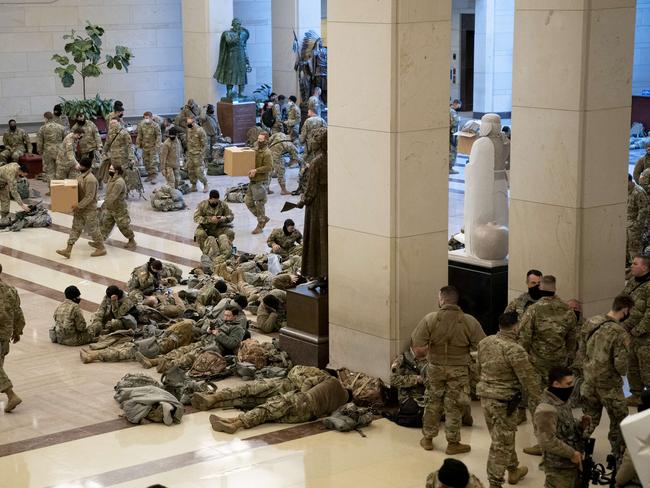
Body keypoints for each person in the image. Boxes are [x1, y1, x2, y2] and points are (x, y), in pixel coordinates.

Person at [411, 285, 486, 454]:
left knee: (432, 401)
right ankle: (453, 443)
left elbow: (417, 346)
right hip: (459, 370)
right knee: (454, 405)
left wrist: (432, 351)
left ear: (442, 299)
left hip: (435, 367)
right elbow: (482, 346)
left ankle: (428, 439)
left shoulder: (430, 319)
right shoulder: (469, 321)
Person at [476, 312, 541, 488]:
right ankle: (495, 483)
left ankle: (513, 469)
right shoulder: (515, 350)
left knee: (501, 437)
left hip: (485, 397)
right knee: (501, 443)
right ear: (516, 326)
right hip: (504, 402)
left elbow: (477, 368)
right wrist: (542, 400)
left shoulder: (485, 342)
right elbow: (528, 380)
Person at [208, 370, 349, 433]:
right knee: (269, 416)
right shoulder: (341, 405)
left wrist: (304, 394)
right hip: (307, 416)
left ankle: (236, 424)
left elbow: (308, 381)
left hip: (303, 400)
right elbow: (328, 415)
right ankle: (232, 420)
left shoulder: (334, 381)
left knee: (267, 409)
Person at [580, 294, 633, 459]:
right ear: (625, 310)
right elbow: (621, 366)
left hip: (588, 381)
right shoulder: (620, 332)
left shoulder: (591, 322)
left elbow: (581, 350)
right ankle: (618, 455)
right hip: (609, 385)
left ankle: (579, 448)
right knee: (620, 419)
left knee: (589, 418)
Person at [535, 366, 590, 488]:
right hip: (558, 468)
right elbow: (547, 441)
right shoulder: (546, 409)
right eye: (569, 383)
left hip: (571, 464)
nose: (572, 387)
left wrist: (580, 425)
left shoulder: (562, 400)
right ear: (556, 384)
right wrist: (572, 454)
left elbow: (565, 427)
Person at [56, 156, 106, 258]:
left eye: (81, 165)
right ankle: (68, 250)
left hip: (89, 209)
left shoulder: (91, 179)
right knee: (75, 228)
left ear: (86, 167)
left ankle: (101, 248)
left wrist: (78, 205)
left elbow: (89, 196)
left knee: (93, 229)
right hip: (79, 208)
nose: (79, 166)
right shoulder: (80, 176)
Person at [621, 254, 650, 406]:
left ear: (644, 267)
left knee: (646, 367)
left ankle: (647, 397)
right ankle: (636, 394)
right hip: (630, 332)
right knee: (632, 365)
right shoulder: (632, 282)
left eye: (635, 263)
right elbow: (623, 300)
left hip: (645, 336)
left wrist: (638, 330)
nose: (631, 266)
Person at [0, 263, 25, 412]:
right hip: (5, 335)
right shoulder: (11, 290)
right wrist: (18, 331)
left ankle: (11, 395)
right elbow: (18, 313)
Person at [99, 164, 136, 250]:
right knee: (105, 224)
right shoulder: (111, 179)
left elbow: (113, 196)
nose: (109, 171)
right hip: (110, 207)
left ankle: (132, 240)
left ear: (117, 171)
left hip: (119, 208)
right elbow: (108, 193)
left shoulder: (119, 182)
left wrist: (103, 204)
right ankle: (99, 242)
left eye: (111, 169)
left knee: (123, 226)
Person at [213, 18, 251, 99]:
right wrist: (238, 35)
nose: (239, 26)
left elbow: (244, 47)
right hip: (231, 56)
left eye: (239, 24)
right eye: (237, 24)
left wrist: (247, 62)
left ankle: (241, 93)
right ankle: (229, 92)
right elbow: (230, 42)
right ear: (233, 24)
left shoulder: (243, 33)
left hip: (241, 56)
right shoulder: (227, 34)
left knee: (242, 74)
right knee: (230, 74)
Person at [245, 131, 272, 234]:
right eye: (258, 139)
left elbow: (269, 167)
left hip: (261, 181)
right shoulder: (256, 147)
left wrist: (256, 170)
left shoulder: (267, 153)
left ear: (266, 140)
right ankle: (263, 218)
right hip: (253, 180)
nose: (259, 141)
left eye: (261, 140)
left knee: (260, 204)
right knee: (248, 201)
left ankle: (260, 225)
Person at [36, 112, 65, 185]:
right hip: (59, 150)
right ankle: (61, 187)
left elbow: (39, 142)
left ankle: (52, 189)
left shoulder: (42, 128)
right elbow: (65, 139)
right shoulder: (61, 127)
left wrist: (40, 151)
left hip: (48, 152)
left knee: (49, 171)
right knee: (59, 169)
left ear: (46, 118)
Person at [627, 174, 649, 264]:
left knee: (634, 250)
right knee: (625, 250)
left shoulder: (638, 192)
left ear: (629, 181)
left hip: (634, 228)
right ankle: (629, 269)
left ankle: (636, 272)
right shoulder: (623, 190)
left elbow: (643, 211)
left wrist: (637, 226)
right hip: (625, 225)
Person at [136, 111, 162, 183]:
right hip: (145, 147)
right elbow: (139, 135)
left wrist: (157, 145)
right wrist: (138, 144)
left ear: (151, 117)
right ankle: (149, 175)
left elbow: (159, 136)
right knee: (146, 162)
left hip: (153, 147)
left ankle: (154, 177)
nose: (146, 119)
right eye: (145, 118)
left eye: (147, 118)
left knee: (153, 162)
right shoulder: (142, 125)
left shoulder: (155, 125)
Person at [186, 116, 208, 193]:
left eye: (190, 123)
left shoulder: (200, 130)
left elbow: (204, 144)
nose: (188, 124)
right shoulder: (188, 130)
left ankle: (205, 184)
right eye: (187, 122)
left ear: (194, 122)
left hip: (198, 155)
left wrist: (202, 155)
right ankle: (194, 185)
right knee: (191, 171)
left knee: (199, 172)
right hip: (190, 154)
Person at [449, 99, 462, 174]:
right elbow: (455, 122)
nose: (459, 107)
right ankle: (450, 167)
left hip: (451, 134)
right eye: (459, 105)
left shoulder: (449, 110)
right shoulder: (452, 111)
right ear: (456, 104)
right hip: (452, 134)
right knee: (452, 150)